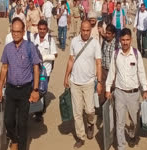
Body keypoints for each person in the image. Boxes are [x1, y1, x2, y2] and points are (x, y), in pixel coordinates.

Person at [0, 17, 41, 150]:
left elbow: (36, 68)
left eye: (18, 31)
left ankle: (21, 147)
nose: (15, 34)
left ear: (23, 32)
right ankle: (14, 140)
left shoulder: (30, 47)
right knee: (8, 121)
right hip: (10, 89)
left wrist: (35, 89)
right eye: (13, 31)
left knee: (22, 123)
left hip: (25, 90)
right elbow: (4, 68)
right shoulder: (7, 48)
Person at [105, 28, 147, 150]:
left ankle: (132, 134)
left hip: (134, 94)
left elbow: (141, 72)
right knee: (120, 122)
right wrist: (108, 89)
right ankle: (121, 146)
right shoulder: (116, 54)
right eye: (123, 40)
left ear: (131, 40)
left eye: (127, 40)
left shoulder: (136, 54)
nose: (125, 42)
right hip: (119, 93)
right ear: (120, 40)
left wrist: (144, 89)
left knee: (134, 121)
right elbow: (112, 72)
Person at [63, 20, 102, 149]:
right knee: (77, 112)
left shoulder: (95, 43)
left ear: (90, 30)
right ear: (80, 29)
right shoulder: (74, 41)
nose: (85, 33)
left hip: (89, 82)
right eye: (83, 30)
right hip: (75, 82)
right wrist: (66, 76)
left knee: (90, 110)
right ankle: (80, 137)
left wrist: (100, 81)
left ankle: (91, 123)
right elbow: (71, 60)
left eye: (87, 30)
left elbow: (98, 63)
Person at [30, 20, 58, 121]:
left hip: (45, 71)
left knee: (41, 90)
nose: (42, 31)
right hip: (34, 69)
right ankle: (34, 108)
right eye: (40, 29)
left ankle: (39, 112)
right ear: (38, 29)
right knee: (34, 88)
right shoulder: (33, 38)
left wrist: (44, 57)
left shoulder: (50, 40)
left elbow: (55, 55)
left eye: (44, 29)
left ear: (47, 29)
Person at [100, 24, 118, 105]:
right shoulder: (104, 42)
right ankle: (103, 110)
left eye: (109, 33)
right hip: (103, 71)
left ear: (113, 34)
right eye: (106, 33)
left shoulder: (117, 45)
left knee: (113, 91)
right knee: (102, 91)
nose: (106, 35)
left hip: (113, 72)